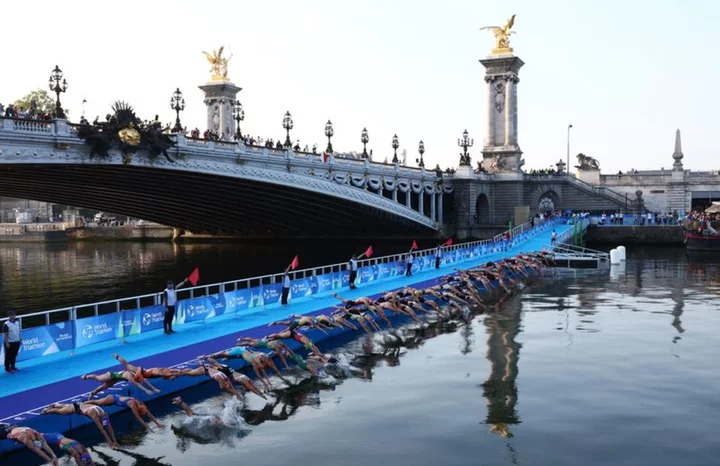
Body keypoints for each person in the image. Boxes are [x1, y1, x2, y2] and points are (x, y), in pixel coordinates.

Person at [41, 402, 118, 448]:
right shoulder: (95, 416)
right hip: (76, 408)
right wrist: (109, 441)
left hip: (79, 404)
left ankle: (54, 405)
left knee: (66, 406)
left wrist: (114, 441)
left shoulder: (105, 414)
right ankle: (46, 411)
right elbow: (102, 430)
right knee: (60, 412)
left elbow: (109, 427)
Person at [85, 394, 164, 432]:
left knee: (98, 403)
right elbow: (138, 418)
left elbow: (149, 414)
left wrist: (158, 424)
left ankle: (86, 402)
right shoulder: (133, 405)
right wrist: (148, 428)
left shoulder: (141, 403)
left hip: (118, 400)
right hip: (113, 399)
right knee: (98, 402)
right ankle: (83, 403)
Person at [81, 368, 160, 399]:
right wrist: (146, 390)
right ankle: (87, 376)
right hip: (111, 375)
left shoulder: (137, 375)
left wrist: (153, 388)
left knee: (103, 387)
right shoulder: (129, 376)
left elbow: (145, 381)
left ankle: (92, 393)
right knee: (99, 378)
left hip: (115, 379)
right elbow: (137, 384)